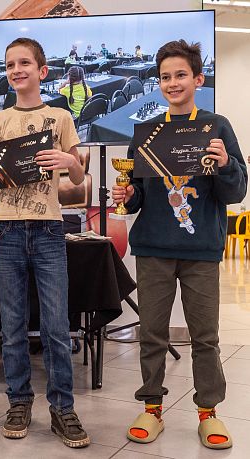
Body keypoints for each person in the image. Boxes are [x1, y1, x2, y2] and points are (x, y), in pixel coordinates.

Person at [113, 39, 247, 450]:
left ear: (198, 79)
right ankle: (152, 408)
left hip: (201, 249)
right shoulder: (147, 133)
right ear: (158, 82)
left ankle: (208, 412)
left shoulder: (217, 126)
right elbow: (137, 193)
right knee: (152, 333)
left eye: (181, 75)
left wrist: (225, 164)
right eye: (165, 77)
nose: (172, 83)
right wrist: (127, 196)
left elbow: (236, 191)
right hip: (153, 247)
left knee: (205, 337)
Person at [0, 37, 90, 448]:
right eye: (10, 64)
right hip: (7, 230)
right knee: (12, 325)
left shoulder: (60, 117)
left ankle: (62, 407)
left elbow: (78, 179)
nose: (17, 70)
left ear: (42, 70)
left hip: (49, 229)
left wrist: (70, 162)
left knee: (56, 326)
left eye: (24, 63)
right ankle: (18, 402)